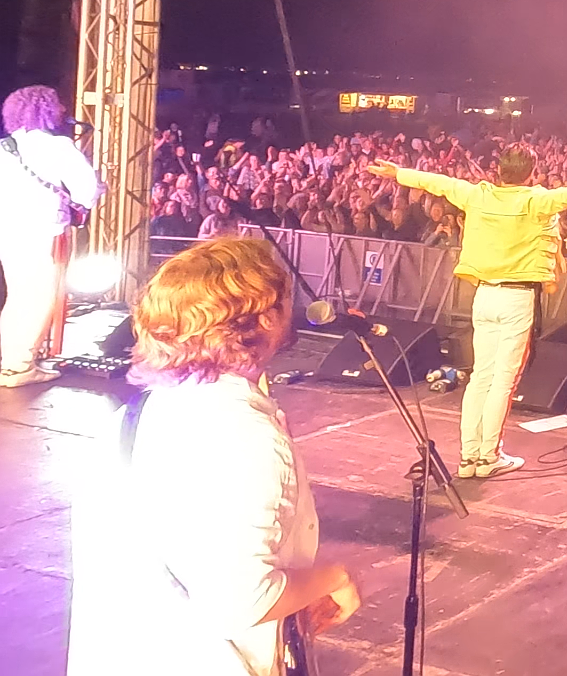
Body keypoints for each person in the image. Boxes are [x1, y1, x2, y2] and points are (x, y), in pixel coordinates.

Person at [67, 237, 360, 675]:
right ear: (263, 317)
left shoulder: (142, 411)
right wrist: (332, 577)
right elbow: (238, 604)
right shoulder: (246, 436)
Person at [368, 145, 567, 479]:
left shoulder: (478, 196)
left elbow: (441, 183)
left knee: (481, 377)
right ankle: (488, 456)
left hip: (485, 296)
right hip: (516, 298)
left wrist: (397, 173)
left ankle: (469, 458)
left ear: (499, 170)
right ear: (530, 172)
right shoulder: (534, 201)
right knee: (502, 382)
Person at [0, 85, 103, 387]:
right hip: (44, 232)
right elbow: (87, 189)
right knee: (42, 297)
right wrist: (82, 205)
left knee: (18, 297)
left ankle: (11, 361)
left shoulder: (4, 147)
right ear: (49, 110)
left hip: (7, 234)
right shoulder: (58, 147)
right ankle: (20, 367)